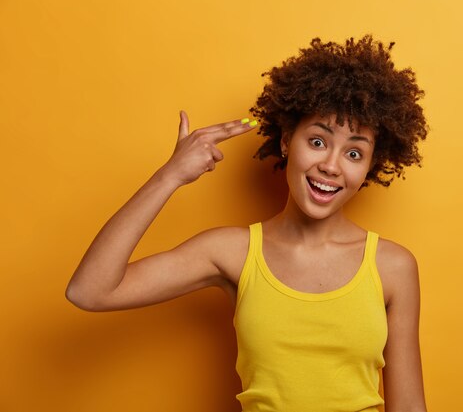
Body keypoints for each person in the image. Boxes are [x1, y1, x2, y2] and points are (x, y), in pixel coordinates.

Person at [66, 35, 429, 412]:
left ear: (370, 166)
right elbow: (89, 291)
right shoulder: (233, 252)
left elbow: (409, 407)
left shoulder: (392, 266)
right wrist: (169, 176)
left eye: (354, 152)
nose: (332, 165)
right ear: (288, 140)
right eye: (318, 141)